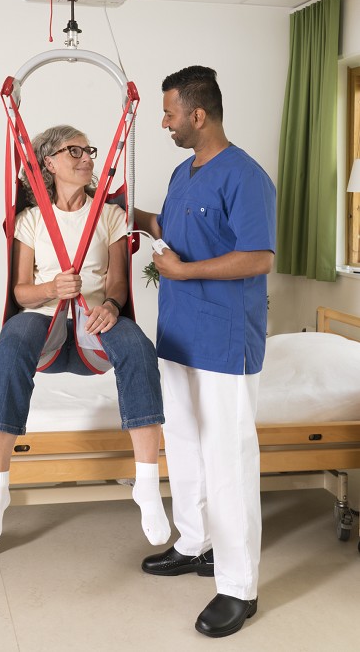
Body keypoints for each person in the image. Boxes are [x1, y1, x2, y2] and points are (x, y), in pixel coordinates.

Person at [0, 124, 170, 555]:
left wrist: (112, 307)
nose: (85, 158)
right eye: (73, 151)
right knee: (9, 344)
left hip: (92, 329)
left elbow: (118, 285)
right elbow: (21, 291)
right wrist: (50, 291)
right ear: (50, 163)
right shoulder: (31, 220)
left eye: (89, 150)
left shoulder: (111, 215)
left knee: (138, 347)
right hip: (44, 322)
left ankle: (148, 487)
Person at [135, 66, 276, 639]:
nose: (164, 123)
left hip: (223, 339)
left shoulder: (245, 176)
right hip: (179, 336)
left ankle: (239, 587)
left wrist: (185, 271)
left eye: (169, 114)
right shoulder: (181, 170)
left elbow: (258, 257)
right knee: (186, 445)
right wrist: (127, 214)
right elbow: (173, 226)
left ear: (198, 115)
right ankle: (195, 544)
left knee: (228, 460)